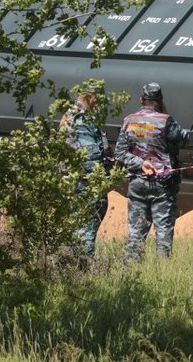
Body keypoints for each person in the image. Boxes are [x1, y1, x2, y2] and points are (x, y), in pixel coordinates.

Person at [115, 82, 191, 261]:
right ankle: (162, 271)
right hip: (162, 184)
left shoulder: (129, 121)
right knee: (163, 231)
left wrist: (140, 163)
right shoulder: (166, 120)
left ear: (142, 99)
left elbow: (120, 152)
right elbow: (184, 138)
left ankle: (132, 271)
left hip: (137, 182)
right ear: (160, 100)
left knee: (136, 232)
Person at [59, 84, 110, 260]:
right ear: (88, 97)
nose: (97, 102)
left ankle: (77, 257)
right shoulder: (77, 117)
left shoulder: (83, 117)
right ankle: (84, 262)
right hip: (85, 178)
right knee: (89, 216)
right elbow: (72, 147)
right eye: (96, 98)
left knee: (87, 215)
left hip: (85, 177)